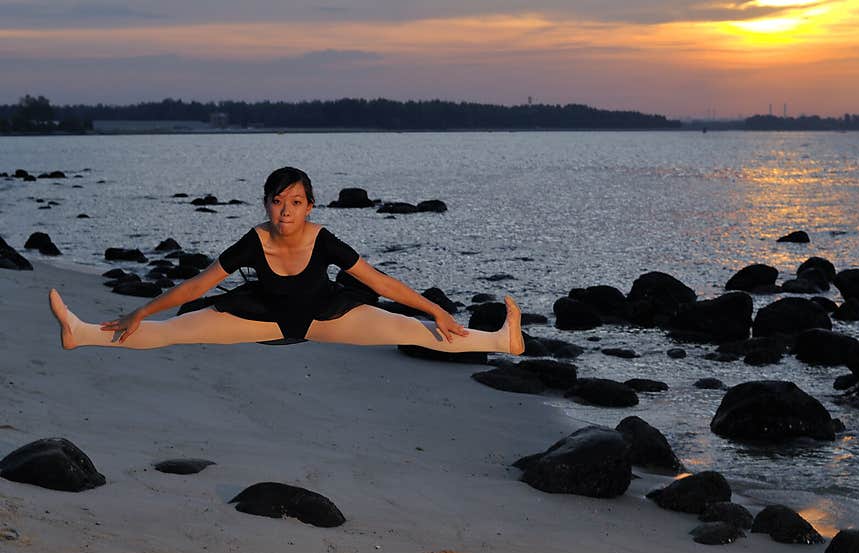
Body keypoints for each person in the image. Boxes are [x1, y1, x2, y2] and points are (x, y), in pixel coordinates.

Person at [49, 167, 525, 355]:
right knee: (171, 331)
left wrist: (435, 308)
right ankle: (83, 332)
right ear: (267, 203)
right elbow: (196, 286)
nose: (285, 210)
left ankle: (503, 341)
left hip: (329, 317)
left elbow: (379, 282)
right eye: (278, 201)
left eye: (295, 202)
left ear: (309, 206)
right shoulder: (253, 241)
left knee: (422, 332)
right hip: (263, 320)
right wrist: (141, 309)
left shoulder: (325, 239)